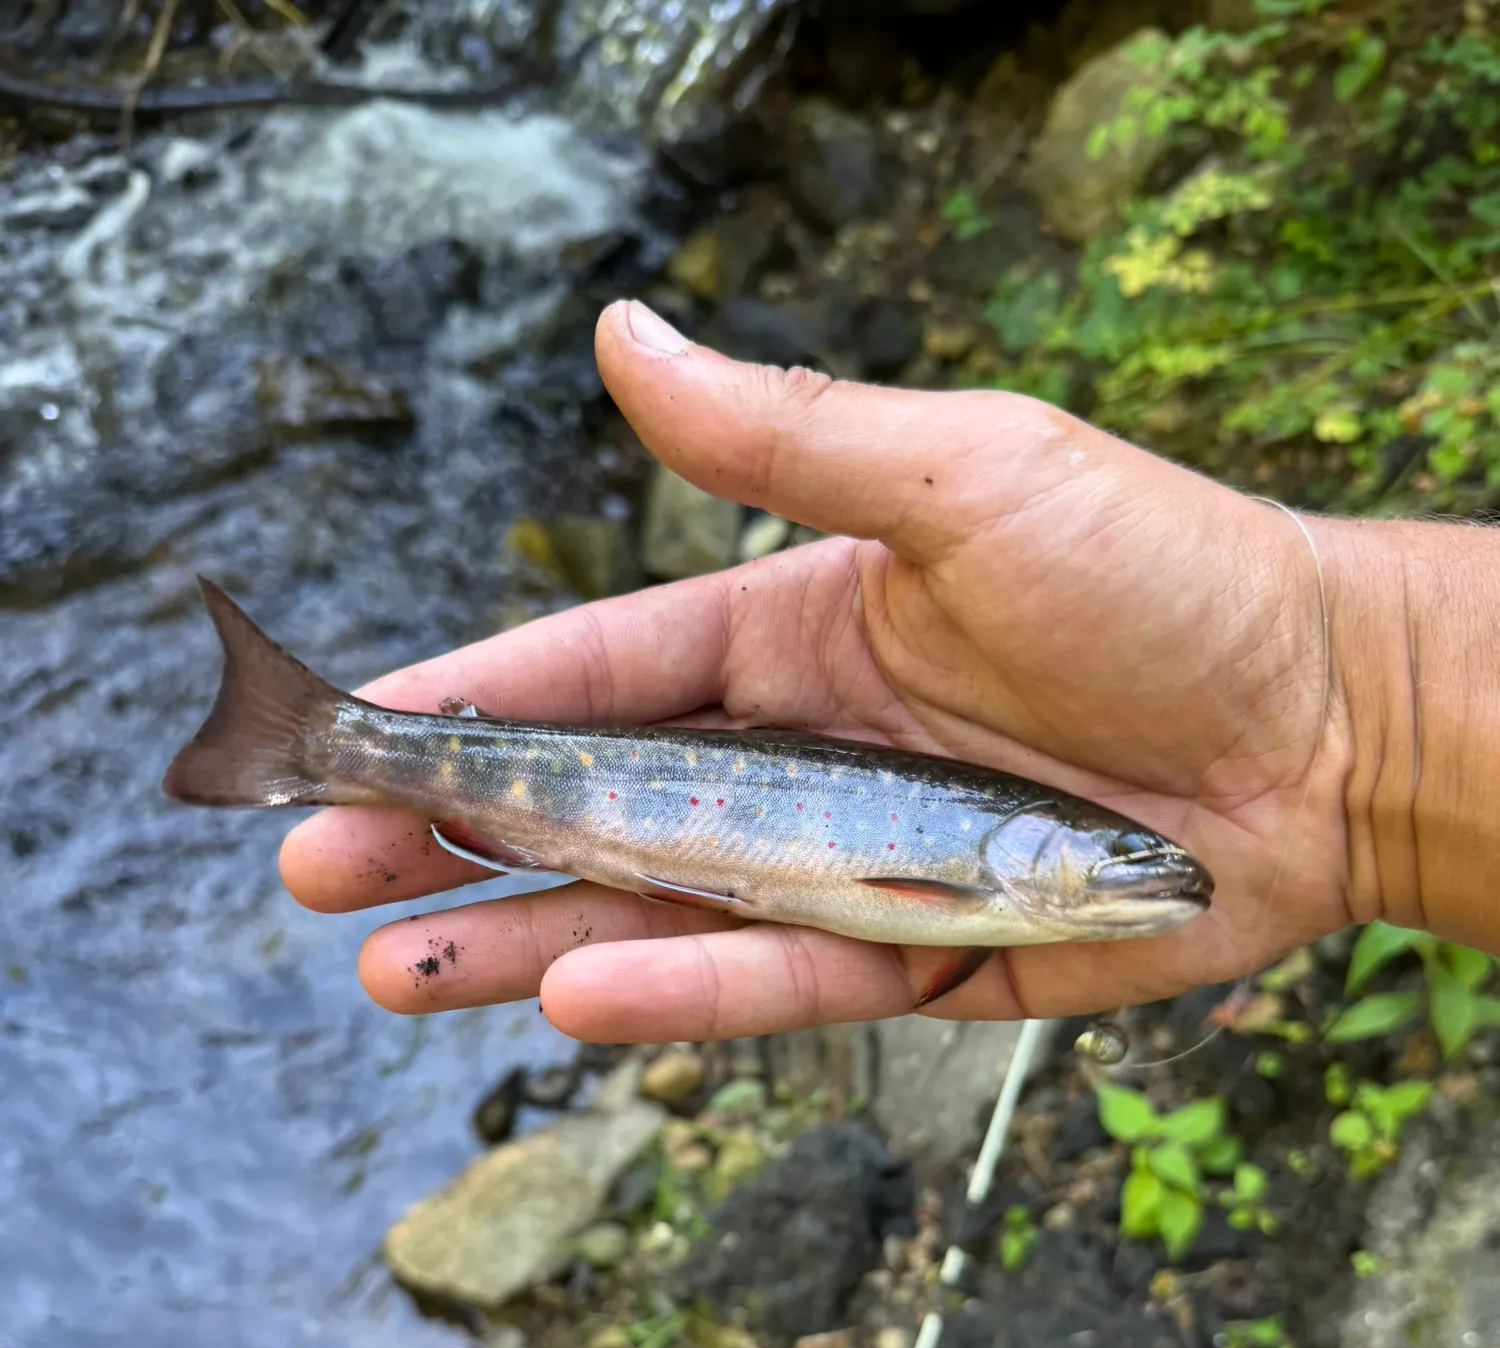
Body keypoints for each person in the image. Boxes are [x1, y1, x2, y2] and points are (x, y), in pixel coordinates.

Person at [277, 299, 1495, 1043]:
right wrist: (1357, 718)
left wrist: (1355, 711)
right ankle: (327, 741)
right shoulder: (976, 885)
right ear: (1039, 851)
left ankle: (331, 741)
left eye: (1132, 857)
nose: (1157, 873)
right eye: (1126, 856)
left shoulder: (1002, 887)